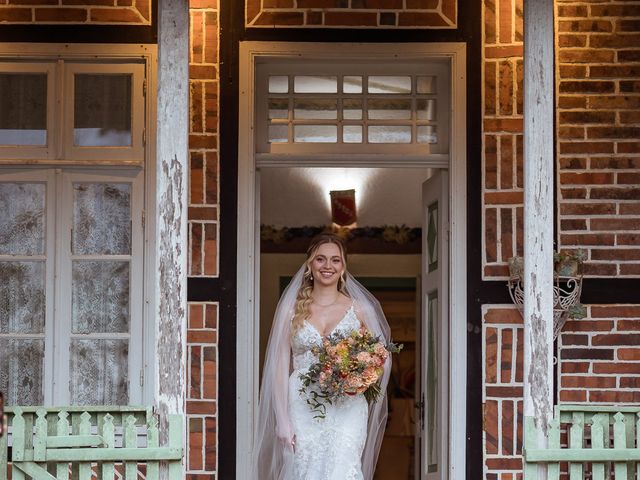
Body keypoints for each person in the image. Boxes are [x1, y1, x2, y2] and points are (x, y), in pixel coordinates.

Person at [254, 233, 392, 480]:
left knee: (343, 467)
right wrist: (282, 420)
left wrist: (358, 377)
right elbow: (278, 365)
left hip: (347, 406)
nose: (328, 266)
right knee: (304, 468)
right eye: (320, 259)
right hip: (302, 404)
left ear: (343, 267)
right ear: (309, 264)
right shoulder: (290, 309)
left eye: (335, 260)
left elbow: (381, 356)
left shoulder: (361, 309)